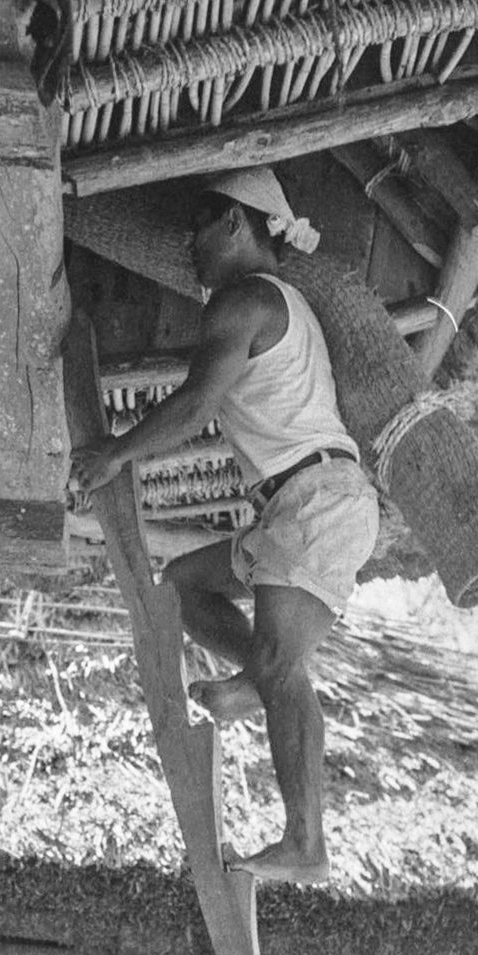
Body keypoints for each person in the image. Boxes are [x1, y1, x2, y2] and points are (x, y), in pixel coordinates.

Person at [71, 166, 379, 885]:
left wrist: (114, 453)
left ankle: (305, 843)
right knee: (182, 584)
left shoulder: (247, 300)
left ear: (236, 222)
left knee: (282, 666)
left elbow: (196, 405)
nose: (189, 244)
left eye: (198, 227)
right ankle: (255, 679)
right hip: (295, 506)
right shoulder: (269, 304)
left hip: (316, 499)